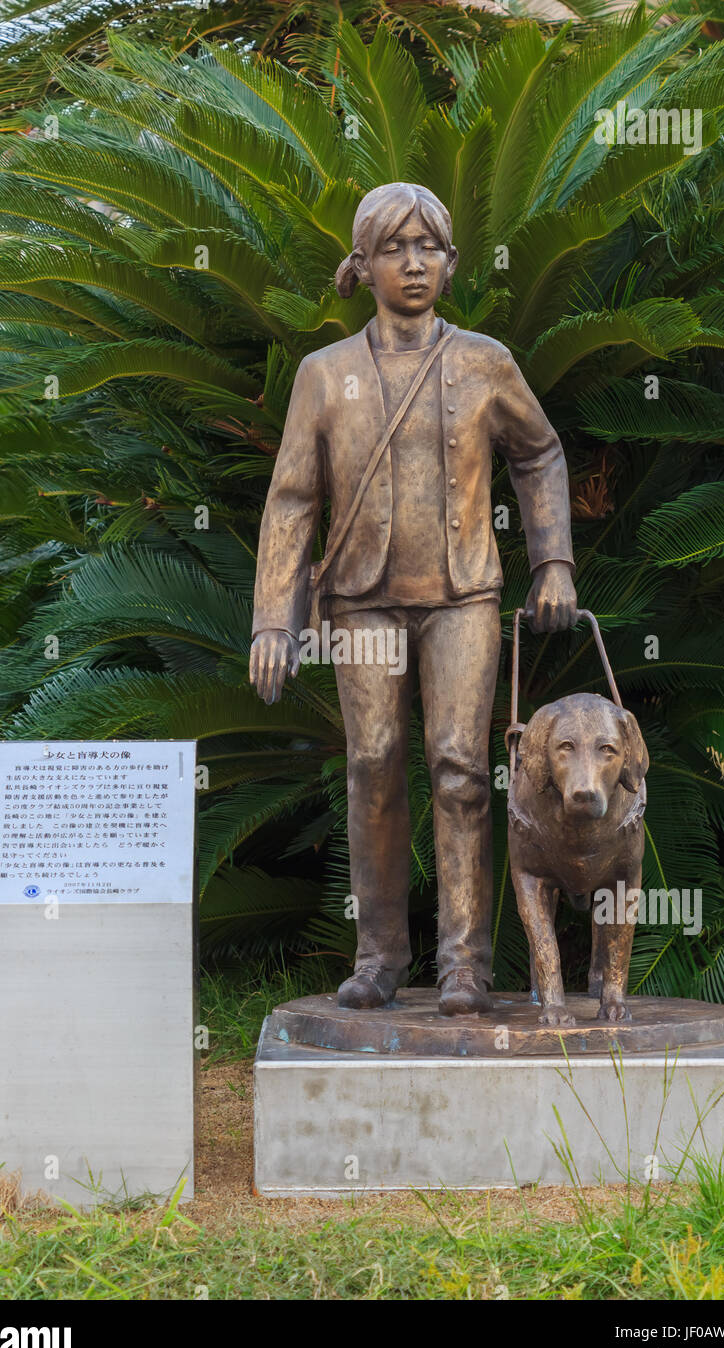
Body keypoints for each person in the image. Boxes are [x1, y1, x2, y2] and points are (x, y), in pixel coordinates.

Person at [250, 182, 577, 1015]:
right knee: (370, 768)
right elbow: (292, 500)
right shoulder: (324, 376)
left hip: (462, 594)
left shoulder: (483, 361)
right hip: (360, 601)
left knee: (462, 769)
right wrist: (272, 621)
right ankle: (381, 954)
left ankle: (465, 962)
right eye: (393, 248)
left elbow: (539, 455)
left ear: (452, 263)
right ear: (360, 266)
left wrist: (554, 563)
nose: (413, 263)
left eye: (427, 246)